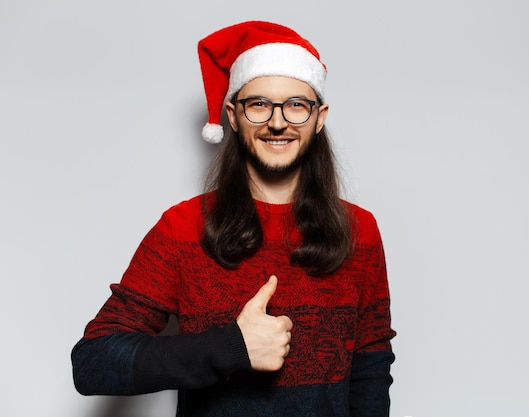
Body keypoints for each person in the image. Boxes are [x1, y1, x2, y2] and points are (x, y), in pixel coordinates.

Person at [71, 20, 395, 417]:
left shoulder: (359, 230)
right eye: (258, 104)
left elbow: (370, 368)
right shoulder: (184, 226)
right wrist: (230, 348)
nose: (278, 122)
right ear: (233, 114)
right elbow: (92, 362)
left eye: (296, 104)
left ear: (319, 116)